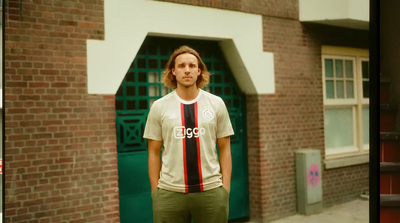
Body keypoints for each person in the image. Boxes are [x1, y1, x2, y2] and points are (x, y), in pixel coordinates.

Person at [143, 45, 234, 223]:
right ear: (173, 71)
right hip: (170, 194)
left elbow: (225, 148)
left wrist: (225, 188)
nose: (187, 70)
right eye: (181, 66)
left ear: (199, 71)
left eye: (192, 66)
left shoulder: (216, 103)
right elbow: (153, 152)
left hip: (211, 192)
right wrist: (156, 192)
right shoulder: (159, 106)